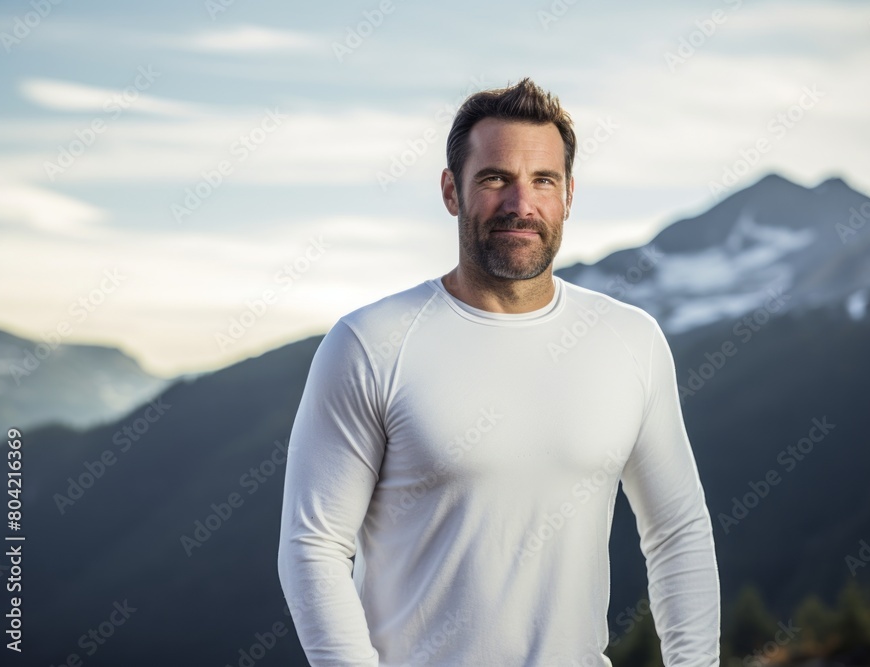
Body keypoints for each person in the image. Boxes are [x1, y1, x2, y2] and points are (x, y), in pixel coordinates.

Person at [277, 77, 720, 666]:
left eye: (543, 181)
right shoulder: (369, 343)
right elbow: (313, 548)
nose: (521, 204)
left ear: (568, 195)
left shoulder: (630, 341)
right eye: (494, 179)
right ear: (450, 191)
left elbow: (678, 532)